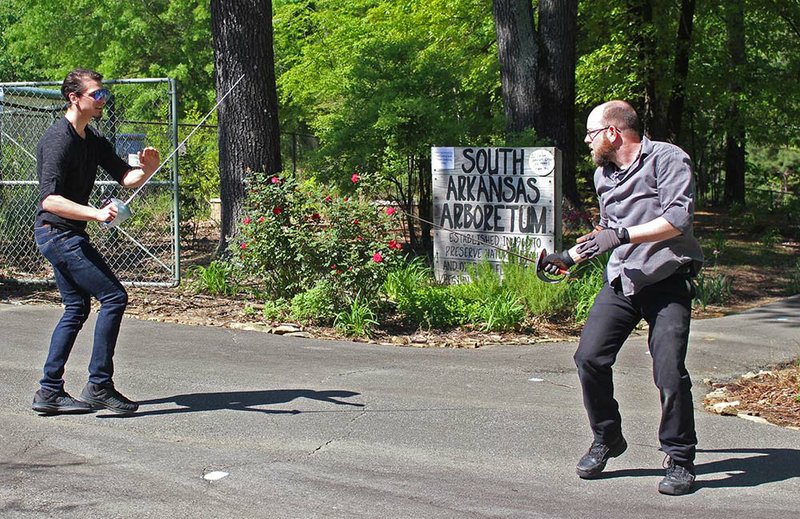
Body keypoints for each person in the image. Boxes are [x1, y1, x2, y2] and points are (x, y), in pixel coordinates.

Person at [541, 100, 704, 496]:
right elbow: (609, 231)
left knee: (668, 370)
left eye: (591, 133)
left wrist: (624, 235)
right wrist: (568, 258)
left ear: (613, 132)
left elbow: (678, 219)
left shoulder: (667, 159)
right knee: (589, 358)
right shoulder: (603, 174)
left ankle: (680, 459)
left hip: (667, 278)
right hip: (624, 278)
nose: (587, 140)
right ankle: (608, 437)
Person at [31, 68, 160, 415]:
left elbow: (126, 177)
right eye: (97, 95)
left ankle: (48, 391)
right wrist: (95, 213)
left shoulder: (92, 139)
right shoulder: (59, 140)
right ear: (75, 98)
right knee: (114, 297)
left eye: (104, 95)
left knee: (77, 308)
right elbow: (49, 200)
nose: (103, 100)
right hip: (56, 233)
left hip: (64, 233)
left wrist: (147, 169)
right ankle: (99, 385)